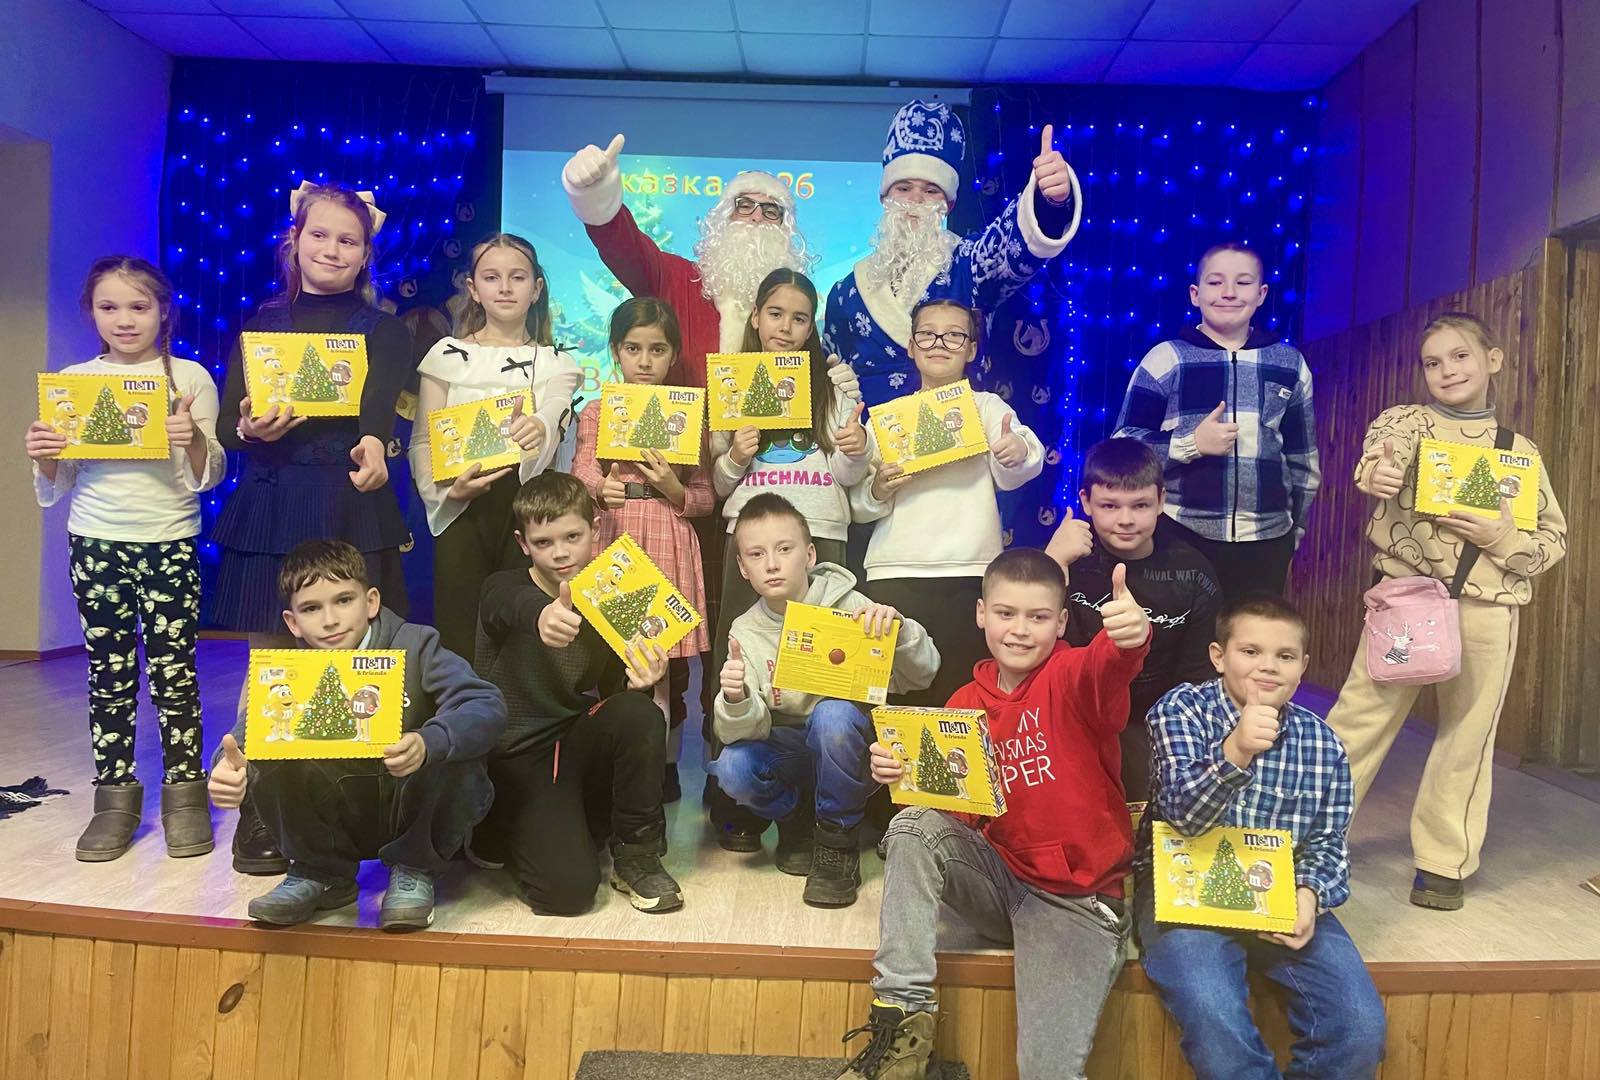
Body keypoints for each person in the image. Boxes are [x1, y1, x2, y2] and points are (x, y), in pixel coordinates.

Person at [836, 548, 1151, 1080]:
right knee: (912, 824)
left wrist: (1130, 638)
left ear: (1061, 622)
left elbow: (1108, 666)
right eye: (1006, 613)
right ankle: (902, 1021)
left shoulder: (1072, 675)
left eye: (1038, 617)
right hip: (1000, 881)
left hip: (1074, 901)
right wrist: (899, 775)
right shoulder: (963, 701)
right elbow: (948, 823)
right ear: (982, 613)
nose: (1020, 630)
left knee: (1047, 1074)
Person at [1324, 313, 1567, 910]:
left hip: (1487, 611)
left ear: (1493, 360)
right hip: (1406, 603)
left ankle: (1443, 862)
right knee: (1360, 719)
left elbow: (1552, 542)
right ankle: (1311, 837)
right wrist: (1379, 472)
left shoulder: (1519, 452)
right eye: (1433, 362)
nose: (1447, 370)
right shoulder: (1409, 422)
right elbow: (1381, 456)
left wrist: (1502, 537)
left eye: (1460, 356)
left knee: (1469, 736)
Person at [213, 182, 416, 877]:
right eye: (320, 235)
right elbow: (227, 427)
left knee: (353, 663)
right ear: (294, 241)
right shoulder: (261, 322)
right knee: (273, 664)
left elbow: (378, 416)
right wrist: (249, 427)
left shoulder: (385, 330)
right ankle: (262, 811)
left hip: (347, 503)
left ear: (365, 254)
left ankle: (354, 813)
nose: (332, 249)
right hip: (273, 501)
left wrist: (374, 450)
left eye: (348, 240)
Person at [1136, 594, 1386, 1078]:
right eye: (1250, 651)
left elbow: (1328, 840)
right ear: (1219, 656)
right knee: (1213, 1013)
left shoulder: (1322, 742)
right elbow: (1182, 816)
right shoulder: (1181, 710)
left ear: (1303, 666)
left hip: (1277, 896)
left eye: (1285, 655)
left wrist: (1309, 895)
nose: (1268, 666)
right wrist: (1236, 750)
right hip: (1183, 894)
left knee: (1359, 1027)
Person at [27, 256, 224, 862]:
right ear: (90, 313)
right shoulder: (74, 382)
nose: (125, 319)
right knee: (108, 674)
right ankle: (114, 798)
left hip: (169, 541)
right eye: (108, 306)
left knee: (174, 672)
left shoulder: (189, 377)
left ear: (164, 310)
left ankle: (185, 795)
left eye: (139, 306)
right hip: (95, 542)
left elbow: (209, 474)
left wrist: (193, 440)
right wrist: (45, 453)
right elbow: (59, 481)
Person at [207, 540, 506, 930]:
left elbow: (486, 704)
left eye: (344, 600)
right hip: (337, 810)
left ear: (371, 602)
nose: (330, 620)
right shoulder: (290, 672)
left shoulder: (417, 644)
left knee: (455, 746)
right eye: (311, 609)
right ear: (293, 622)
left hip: (408, 802)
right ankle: (319, 871)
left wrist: (428, 741)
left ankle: (415, 868)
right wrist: (226, 771)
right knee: (268, 752)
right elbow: (241, 740)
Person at [705, 268, 871, 850]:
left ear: (811, 327)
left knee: (824, 673)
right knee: (739, 663)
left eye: (800, 318)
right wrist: (736, 455)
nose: (785, 327)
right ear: (755, 317)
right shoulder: (732, 383)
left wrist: (856, 448)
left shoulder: (832, 387)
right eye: (775, 314)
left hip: (819, 531)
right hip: (749, 540)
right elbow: (719, 484)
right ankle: (740, 803)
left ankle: (828, 801)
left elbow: (849, 474)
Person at [713, 494, 938, 907]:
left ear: (810, 555)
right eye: (757, 554)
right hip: (792, 747)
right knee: (732, 766)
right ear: (743, 568)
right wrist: (736, 697)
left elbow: (921, 676)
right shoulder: (744, 630)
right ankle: (797, 820)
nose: (772, 564)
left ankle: (838, 839)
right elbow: (743, 732)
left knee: (832, 714)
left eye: (785, 549)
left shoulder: (852, 606)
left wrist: (901, 632)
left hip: (852, 750)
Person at [473, 471, 682, 915]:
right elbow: (505, 605)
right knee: (566, 893)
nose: (561, 552)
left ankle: (636, 855)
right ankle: (502, 827)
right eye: (544, 542)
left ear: (595, 531)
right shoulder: (503, 586)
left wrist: (640, 683)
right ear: (523, 543)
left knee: (639, 711)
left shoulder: (608, 596)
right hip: (518, 755)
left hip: (574, 741)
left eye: (572, 536)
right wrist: (541, 616)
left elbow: (614, 695)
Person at [823, 100, 1081, 407]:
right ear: (884, 197)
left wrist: (1050, 201)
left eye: (931, 190)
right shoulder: (845, 291)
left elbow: (1016, 244)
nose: (915, 201)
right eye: (903, 188)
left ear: (949, 204)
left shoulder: (970, 263)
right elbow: (829, 371)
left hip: (959, 427)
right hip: (873, 434)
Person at [851, 299, 1043, 707]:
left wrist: (1016, 451)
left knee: (958, 699)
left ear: (971, 349)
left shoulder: (987, 407)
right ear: (911, 346)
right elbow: (858, 504)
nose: (939, 343)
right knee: (892, 700)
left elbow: (1023, 461)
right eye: (927, 334)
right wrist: (879, 489)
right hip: (894, 571)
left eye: (954, 335)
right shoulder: (887, 418)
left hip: (969, 570)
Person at [563, 132, 850, 395]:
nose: (756, 217)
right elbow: (624, 246)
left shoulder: (794, 313)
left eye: (771, 211)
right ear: (724, 219)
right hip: (679, 434)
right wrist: (596, 193)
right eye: (744, 205)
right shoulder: (676, 278)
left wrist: (834, 388)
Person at [408, 233, 581, 663]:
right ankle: (462, 705)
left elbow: (555, 413)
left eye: (517, 277)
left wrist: (538, 428)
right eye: (491, 277)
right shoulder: (446, 355)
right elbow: (423, 441)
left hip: (526, 511)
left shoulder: (556, 363)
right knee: (460, 631)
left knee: (522, 633)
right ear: (473, 288)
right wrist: (447, 492)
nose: (504, 287)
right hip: (460, 507)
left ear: (536, 288)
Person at [1113, 242, 1320, 600]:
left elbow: (1303, 462)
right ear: (1195, 294)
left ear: (1261, 294)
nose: (1228, 292)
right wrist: (1191, 443)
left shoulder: (1289, 364)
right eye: (1215, 282)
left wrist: (1292, 535)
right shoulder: (1167, 358)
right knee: (1182, 634)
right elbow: (1122, 449)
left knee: (1251, 634)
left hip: (1267, 541)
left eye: (1243, 282)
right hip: (1179, 533)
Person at [570, 297, 713, 802]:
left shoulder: (688, 415)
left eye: (657, 349)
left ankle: (665, 768)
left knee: (669, 663)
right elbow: (581, 471)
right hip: (614, 537)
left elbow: (705, 496)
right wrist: (600, 488)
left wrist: (675, 488)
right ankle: (618, 769)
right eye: (633, 348)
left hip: (668, 535)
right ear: (615, 351)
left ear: (673, 355)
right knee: (614, 659)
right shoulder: (597, 411)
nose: (645, 360)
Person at [1046, 437, 1222, 800]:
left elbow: (1199, 678)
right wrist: (1052, 564)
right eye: (1109, 505)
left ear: (1161, 501)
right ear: (1086, 502)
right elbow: (1029, 645)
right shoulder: (1067, 557)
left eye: (1140, 505)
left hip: (1154, 718)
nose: (1125, 520)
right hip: (1073, 710)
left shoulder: (1192, 572)